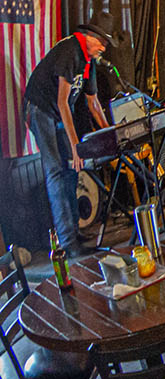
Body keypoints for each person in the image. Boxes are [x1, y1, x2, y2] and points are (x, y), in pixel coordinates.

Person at [22, 24, 110, 253]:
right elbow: (63, 102)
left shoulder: (89, 62)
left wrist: (112, 134)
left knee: (72, 169)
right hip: (40, 109)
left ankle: (74, 232)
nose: (103, 47)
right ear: (88, 37)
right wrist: (75, 146)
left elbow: (93, 103)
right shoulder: (71, 50)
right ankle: (68, 243)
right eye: (101, 41)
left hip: (57, 112)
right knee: (55, 171)